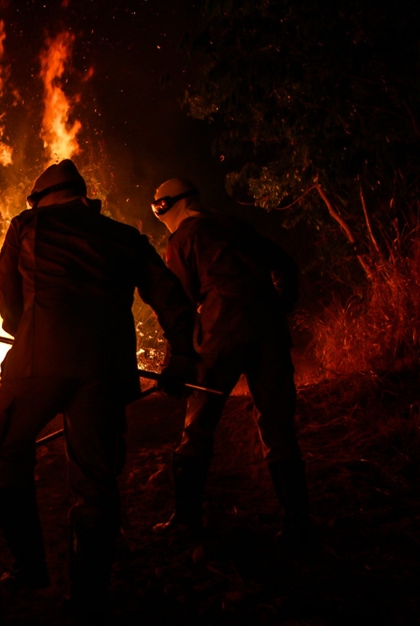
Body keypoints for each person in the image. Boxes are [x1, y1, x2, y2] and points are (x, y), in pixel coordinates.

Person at [0, 160, 197, 612]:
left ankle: (30, 568)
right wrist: (181, 356)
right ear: (84, 199)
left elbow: (8, 304)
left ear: (40, 200)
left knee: (4, 450)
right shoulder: (125, 237)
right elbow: (170, 296)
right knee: (96, 484)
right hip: (106, 368)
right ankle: (90, 596)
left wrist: (31, 332)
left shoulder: (26, 224)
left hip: (40, 358)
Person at [150, 177, 310, 548]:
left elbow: (180, 306)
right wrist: (280, 305)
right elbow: (284, 262)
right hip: (268, 331)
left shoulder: (183, 239)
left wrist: (176, 361)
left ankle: (186, 520)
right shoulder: (235, 226)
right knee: (278, 426)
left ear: (165, 207)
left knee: (199, 425)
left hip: (222, 334)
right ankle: (297, 522)